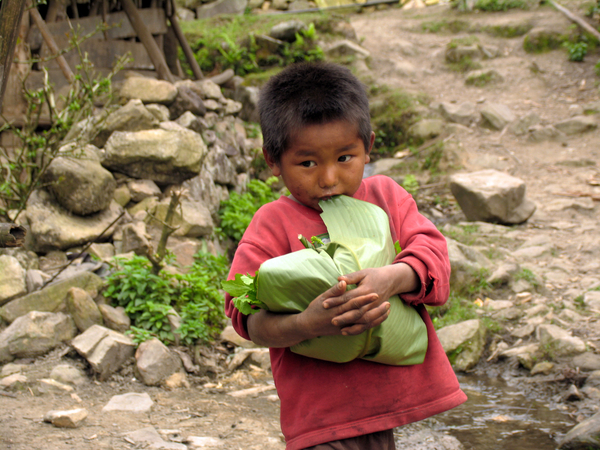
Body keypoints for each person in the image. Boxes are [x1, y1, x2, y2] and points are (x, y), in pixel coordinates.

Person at [224, 62, 466, 450]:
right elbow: (245, 315)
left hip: (386, 405)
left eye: (344, 158)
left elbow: (434, 258)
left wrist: (391, 277)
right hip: (321, 417)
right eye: (307, 163)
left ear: (368, 146)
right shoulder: (272, 223)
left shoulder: (387, 198)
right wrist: (308, 324)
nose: (329, 179)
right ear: (272, 160)